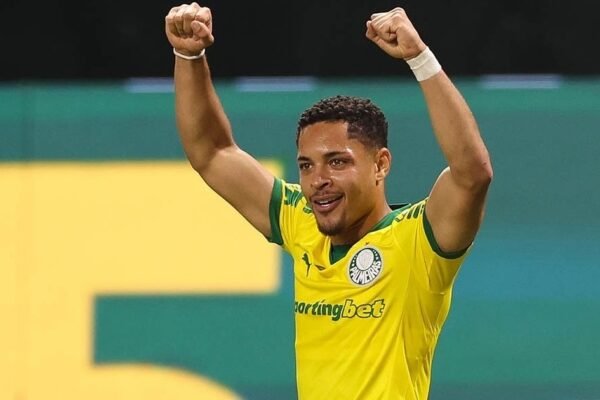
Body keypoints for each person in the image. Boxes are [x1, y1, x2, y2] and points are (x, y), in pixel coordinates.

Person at [164, 3, 492, 399]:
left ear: (380, 165)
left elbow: (472, 174)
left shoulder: (419, 243)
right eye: (306, 165)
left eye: (337, 162)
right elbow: (212, 152)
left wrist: (420, 58)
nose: (318, 181)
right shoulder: (300, 222)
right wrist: (188, 55)